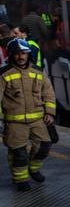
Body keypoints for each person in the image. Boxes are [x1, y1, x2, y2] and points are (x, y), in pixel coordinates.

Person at [0, 39, 55, 191]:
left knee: (44, 146)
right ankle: (21, 180)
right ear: (11, 55)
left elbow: (49, 94)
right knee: (19, 152)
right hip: (14, 121)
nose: (20, 56)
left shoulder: (38, 71)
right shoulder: (4, 74)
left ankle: (34, 169)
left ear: (28, 54)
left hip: (38, 119)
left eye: (23, 53)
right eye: (17, 54)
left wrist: (50, 113)